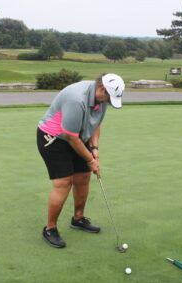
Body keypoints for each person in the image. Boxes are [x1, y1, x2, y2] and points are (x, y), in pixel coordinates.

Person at [36, 73, 125, 248]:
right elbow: (70, 136)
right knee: (64, 182)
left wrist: (95, 149)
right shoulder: (77, 98)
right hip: (54, 138)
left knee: (83, 178)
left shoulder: (102, 99)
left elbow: (96, 124)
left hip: (78, 136)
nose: (107, 101)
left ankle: (78, 218)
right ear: (102, 88)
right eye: (108, 97)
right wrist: (90, 160)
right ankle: (50, 229)